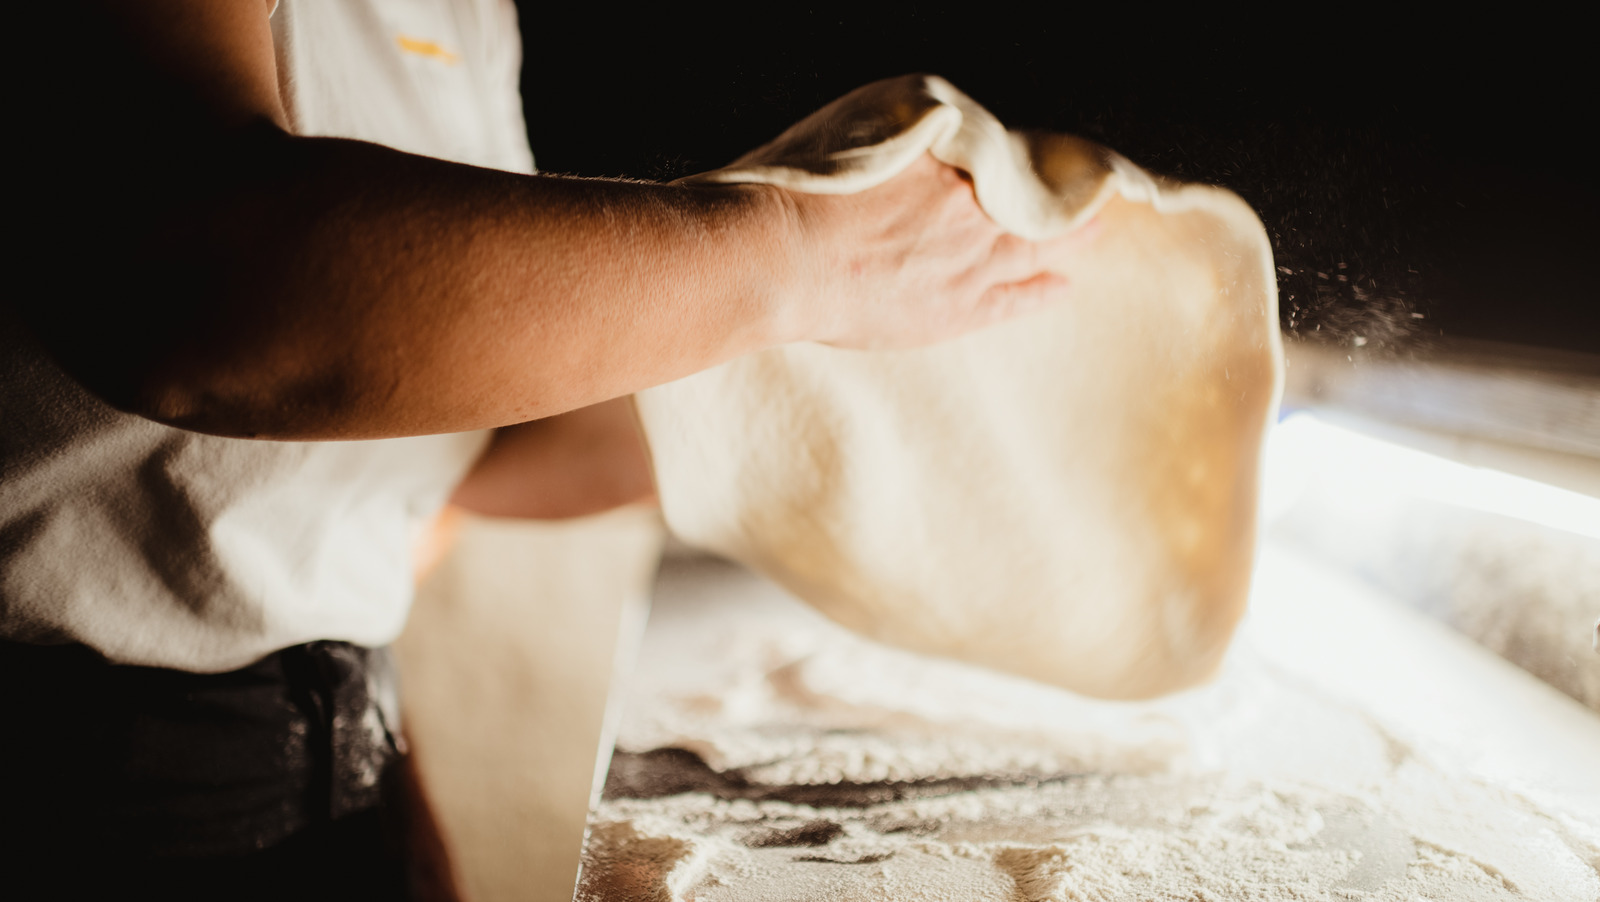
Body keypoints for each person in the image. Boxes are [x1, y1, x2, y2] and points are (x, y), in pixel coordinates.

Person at [2, 0, 1078, 896]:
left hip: (332, 736)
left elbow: (435, 417)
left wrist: (802, 352)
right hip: (76, 781)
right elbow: (202, 289)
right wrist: (788, 254)